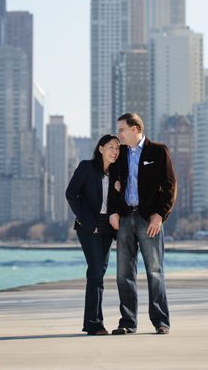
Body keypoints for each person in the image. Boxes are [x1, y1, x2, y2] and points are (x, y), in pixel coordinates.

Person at [108, 112, 177, 335]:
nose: (118, 134)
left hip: (149, 220)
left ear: (135, 129)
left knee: (155, 271)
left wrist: (160, 215)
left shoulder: (158, 151)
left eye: (122, 130)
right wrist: (114, 211)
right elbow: (112, 186)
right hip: (125, 218)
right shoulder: (119, 155)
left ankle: (161, 321)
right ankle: (128, 322)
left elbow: (170, 186)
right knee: (123, 273)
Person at [66, 134, 120, 335]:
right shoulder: (86, 167)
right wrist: (88, 222)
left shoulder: (116, 173)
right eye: (111, 147)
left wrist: (118, 190)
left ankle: (91, 323)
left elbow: (118, 201)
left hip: (108, 226)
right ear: (100, 148)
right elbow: (71, 193)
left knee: (99, 272)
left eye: (117, 148)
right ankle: (95, 323)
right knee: (96, 271)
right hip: (89, 227)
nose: (114, 151)